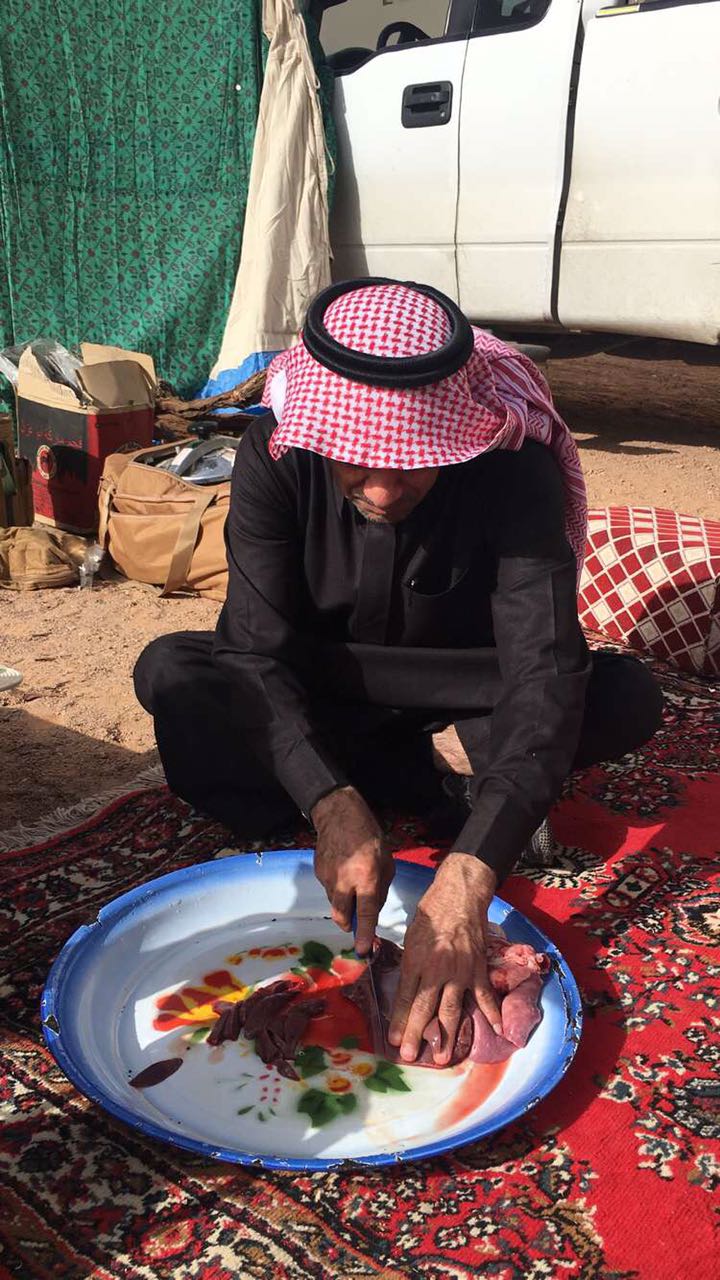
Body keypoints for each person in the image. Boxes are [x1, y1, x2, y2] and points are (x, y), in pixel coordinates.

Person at [134, 278, 663, 1068]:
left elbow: (543, 671)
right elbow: (254, 651)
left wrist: (470, 880)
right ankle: (417, 790)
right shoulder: (277, 456)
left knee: (622, 697)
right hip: (328, 687)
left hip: (469, 689)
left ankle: (445, 799)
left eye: (415, 463)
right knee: (174, 674)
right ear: (323, 426)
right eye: (360, 460)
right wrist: (329, 800)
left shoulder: (513, 468)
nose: (383, 489)